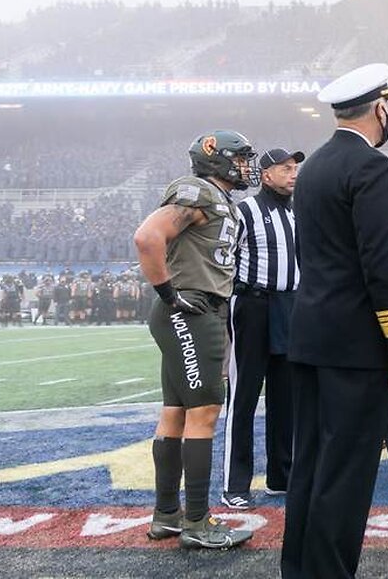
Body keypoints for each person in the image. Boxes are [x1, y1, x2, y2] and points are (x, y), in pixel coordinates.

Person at [283, 64, 388, 579]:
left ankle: (299, 570)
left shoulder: (314, 165)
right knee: (346, 473)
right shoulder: (373, 167)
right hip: (354, 345)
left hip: (311, 335)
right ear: (379, 108)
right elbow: (381, 267)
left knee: (312, 466)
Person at [133, 129, 259, 550]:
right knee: (204, 414)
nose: (246, 166)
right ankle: (197, 522)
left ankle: (167, 515)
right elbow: (148, 237)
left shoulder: (220, 199)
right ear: (214, 157)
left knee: (175, 412)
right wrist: (170, 295)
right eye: (239, 158)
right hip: (192, 311)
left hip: (192, 311)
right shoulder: (198, 193)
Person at [220, 147, 304, 510]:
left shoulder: (296, 214)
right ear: (266, 174)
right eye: (286, 168)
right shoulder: (245, 211)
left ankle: (280, 477)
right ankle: (235, 484)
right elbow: (224, 261)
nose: (293, 174)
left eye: (295, 168)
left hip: (289, 307)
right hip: (253, 306)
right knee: (243, 397)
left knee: (285, 399)